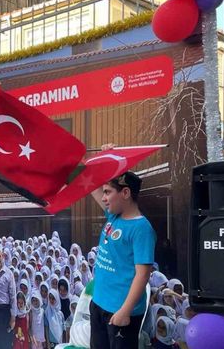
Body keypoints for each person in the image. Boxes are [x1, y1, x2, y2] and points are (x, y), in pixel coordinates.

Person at [89, 145, 156, 349]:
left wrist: (125, 311)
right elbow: (92, 185)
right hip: (99, 303)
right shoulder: (114, 216)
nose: (103, 197)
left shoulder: (141, 229)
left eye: (108, 192)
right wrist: (104, 159)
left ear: (125, 193)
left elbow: (142, 275)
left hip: (120, 312)